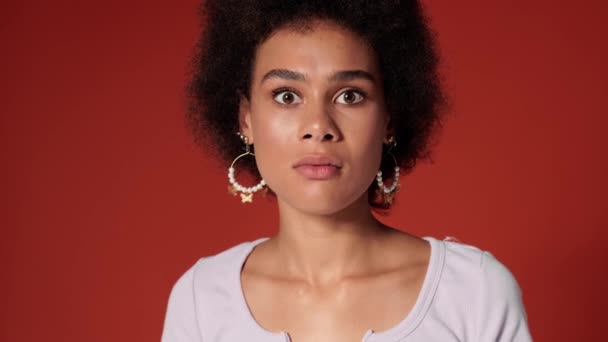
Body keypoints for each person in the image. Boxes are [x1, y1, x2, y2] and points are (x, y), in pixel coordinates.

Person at [161, 1, 532, 341]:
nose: (318, 126)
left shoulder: (474, 292)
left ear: (388, 119)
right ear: (246, 120)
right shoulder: (201, 300)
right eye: (287, 95)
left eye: (350, 95)